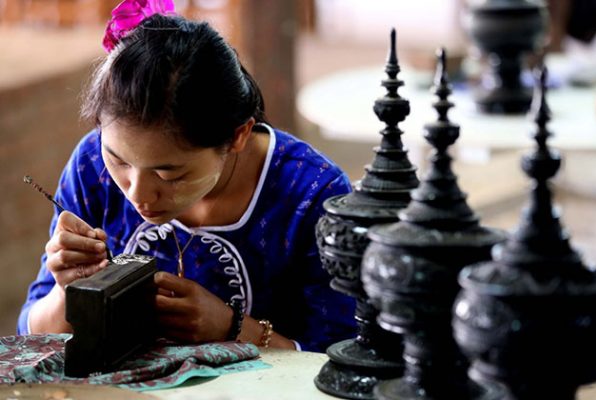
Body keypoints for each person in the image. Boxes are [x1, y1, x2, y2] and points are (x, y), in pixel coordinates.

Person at [17, 1, 356, 353]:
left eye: (169, 174)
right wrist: (66, 290)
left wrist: (233, 326)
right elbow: (33, 334)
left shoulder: (312, 194)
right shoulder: (91, 165)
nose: (138, 194)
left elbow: (343, 359)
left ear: (238, 135)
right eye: (118, 162)